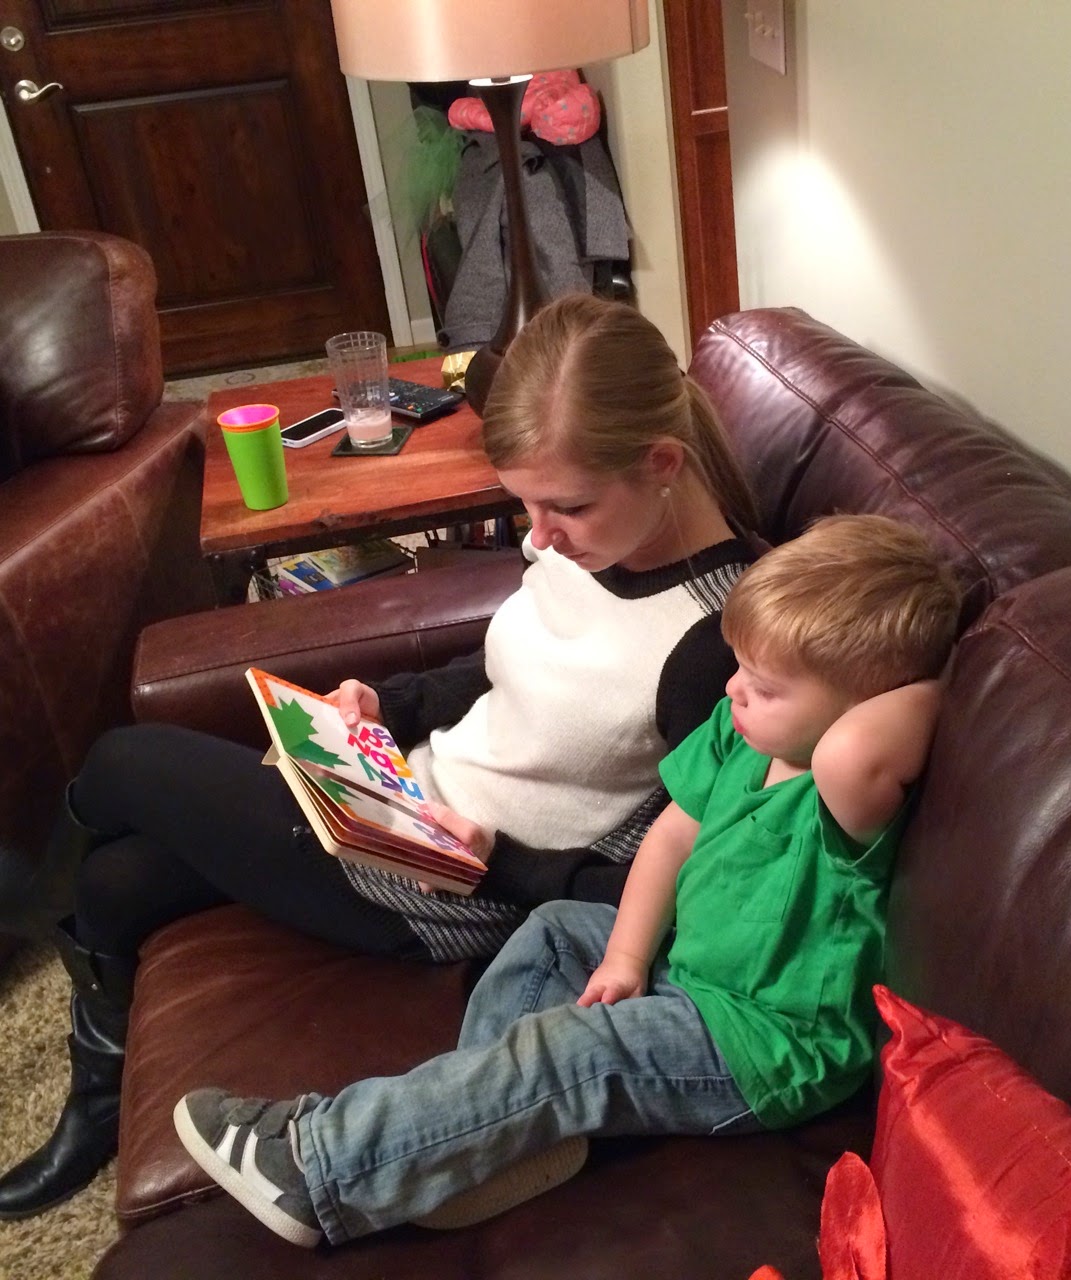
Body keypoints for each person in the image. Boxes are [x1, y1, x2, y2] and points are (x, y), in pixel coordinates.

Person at [0, 292, 760, 1219]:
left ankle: (25, 917)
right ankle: (99, 1096)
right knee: (117, 881)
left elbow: (667, 876)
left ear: (663, 463)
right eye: (525, 504)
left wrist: (494, 860)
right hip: (402, 792)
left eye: (565, 507)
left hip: (444, 891)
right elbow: (507, 669)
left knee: (124, 762)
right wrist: (385, 706)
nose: (539, 536)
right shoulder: (598, 536)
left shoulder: (719, 648)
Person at [171, 513, 963, 1249]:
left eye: (766, 685)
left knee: (570, 1047)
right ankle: (478, 1141)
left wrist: (937, 672)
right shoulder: (743, 731)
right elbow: (671, 836)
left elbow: (858, 745)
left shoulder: (844, 793)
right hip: (689, 969)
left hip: (763, 1044)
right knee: (553, 929)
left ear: (860, 702)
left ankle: (319, 1167)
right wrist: (624, 958)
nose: (733, 689)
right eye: (741, 668)